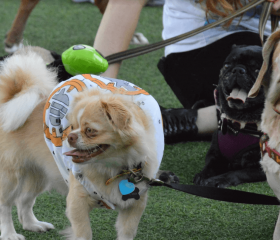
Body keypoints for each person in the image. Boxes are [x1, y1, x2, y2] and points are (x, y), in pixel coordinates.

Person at [93, 0, 280, 143]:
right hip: (201, 51)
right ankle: (202, 119)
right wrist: (98, 93)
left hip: (268, 44)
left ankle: (187, 120)